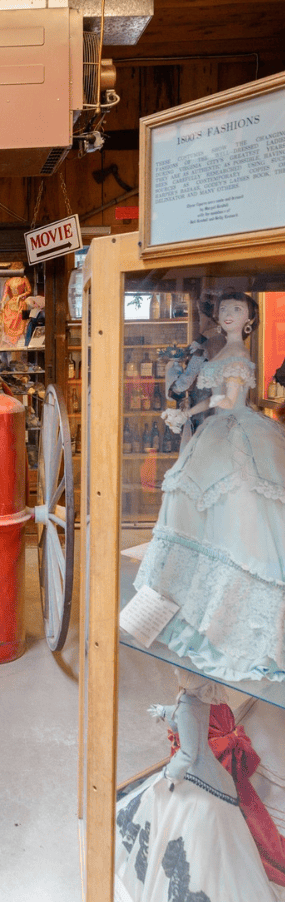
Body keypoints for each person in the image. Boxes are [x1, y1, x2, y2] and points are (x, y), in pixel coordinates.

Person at [135, 290, 285, 681]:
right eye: (224, 309)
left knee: (239, 507)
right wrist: (186, 412)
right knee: (193, 500)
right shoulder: (223, 352)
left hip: (236, 430)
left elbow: (231, 400)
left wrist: (199, 407)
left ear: (250, 319)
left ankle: (233, 618)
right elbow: (218, 399)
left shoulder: (239, 356)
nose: (229, 314)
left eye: (238, 309)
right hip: (217, 427)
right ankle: (186, 603)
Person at [115, 670, 285, 902]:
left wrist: (170, 773)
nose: (176, 673)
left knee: (178, 824)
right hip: (211, 777)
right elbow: (185, 717)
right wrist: (165, 711)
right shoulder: (200, 701)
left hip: (195, 776)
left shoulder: (189, 703)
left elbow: (188, 753)